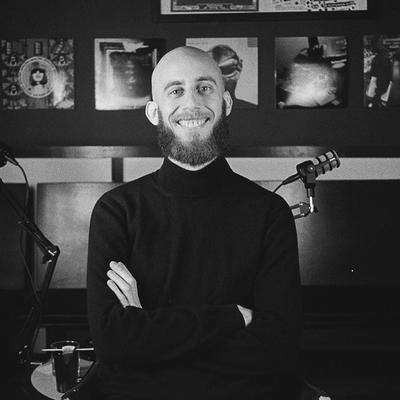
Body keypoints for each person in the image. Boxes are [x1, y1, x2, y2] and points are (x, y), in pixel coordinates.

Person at [87, 46, 302, 400]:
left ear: (226, 103)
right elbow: (113, 342)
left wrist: (149, 333)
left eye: (204, 88)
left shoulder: (269, 212)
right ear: (154, 112)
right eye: (175, 90)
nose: (191, 103)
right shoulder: (116, 211)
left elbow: (278, 348)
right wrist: (232, 317)